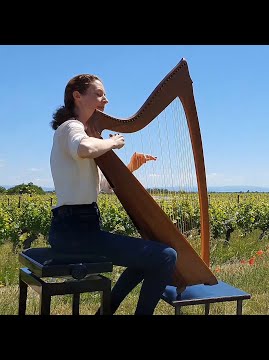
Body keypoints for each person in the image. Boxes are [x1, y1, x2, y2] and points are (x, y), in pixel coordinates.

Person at [48, 74, 177, 315]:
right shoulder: (71, 128)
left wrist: (130, 168)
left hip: (76, 230)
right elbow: (85, 149)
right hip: (75, 232)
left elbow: (105, 186)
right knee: (166, 255)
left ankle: (105, 312)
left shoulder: (81, 132)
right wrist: (113, 142)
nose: (105, 100)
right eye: (98, 94)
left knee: (149, 255)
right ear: (77, 95)